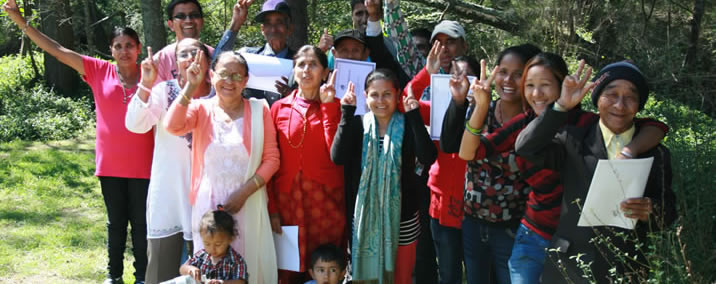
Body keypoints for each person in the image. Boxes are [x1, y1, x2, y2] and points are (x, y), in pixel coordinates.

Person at [451, 53, 668, 283]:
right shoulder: (529, 126)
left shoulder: (582, 126)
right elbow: (474, 152)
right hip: (538, 234)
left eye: (545, 85)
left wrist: (632, 151)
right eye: (530, 86)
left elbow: (653, 126)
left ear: (562, 85)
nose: (537, 94)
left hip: (582, 244)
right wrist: (481, 106)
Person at [3, 1, 154, 283]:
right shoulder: (99, 71)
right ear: (111, 50)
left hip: (145, 165)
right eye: (118, 46)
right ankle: (114, 276)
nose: (124, 51)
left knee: (143, 225)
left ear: (137, 47)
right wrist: (21, 21)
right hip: (110, 165)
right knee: (116, 224)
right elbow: (57, 51)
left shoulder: (151, 77)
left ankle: (143, 277)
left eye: (129, 45)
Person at [515, 60, 676, 283]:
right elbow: (526, 147)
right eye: (611, 94)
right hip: (568, 264)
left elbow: (668, 213)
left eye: (630, 96)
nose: (620, 105)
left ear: (639, 104)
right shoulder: (573, 138)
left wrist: (650, 209)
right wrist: (561, 105)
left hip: (625, 267)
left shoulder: (655, 153)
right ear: (597, 98)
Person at [164, 50, 280, 284]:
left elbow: (272, 159)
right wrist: (189, 87)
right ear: (212, 74)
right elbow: (172, 125)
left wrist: (244, 193)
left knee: (247, 269)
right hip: (209, 207)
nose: (230, 81)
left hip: (249, 203)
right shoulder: (201, 109)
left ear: (246, 81)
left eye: (237, 76)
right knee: (211, 269)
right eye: (224, 74)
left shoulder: (260, 110)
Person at [435, 44, 541, 284]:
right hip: (473, 222)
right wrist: (460, 101)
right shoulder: (483, 108)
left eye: (518, 74)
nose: (509, 80)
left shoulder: (535, 120)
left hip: (514, 227)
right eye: (503, 71)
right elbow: (451, 145)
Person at [331, 69, 437, 283]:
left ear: (397, 94)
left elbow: (428, 156)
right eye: (374, 95)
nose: (380, 100)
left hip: (404, 218)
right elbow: (338, 157)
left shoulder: (407, 125)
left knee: (401, 276)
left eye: (387, 94)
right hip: (364, 218)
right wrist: (346, 113)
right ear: (365, 96)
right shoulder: (357, 124)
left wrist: (414, 115)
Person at [125, 38, 213, 283]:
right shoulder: (164, 91)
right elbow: (135, 124)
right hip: (170, 198)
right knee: (161, 274)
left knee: (206, 275)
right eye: (183, 54)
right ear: (176, 64)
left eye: (196, 52)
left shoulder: (222, 92)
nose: (190, 58)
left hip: (210, 201)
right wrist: (146, 83)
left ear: (207, 59)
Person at [268, 45, 346, 283]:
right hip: (289, 202)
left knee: (326, 269)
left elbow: (336, 151)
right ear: (294, 70)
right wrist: (272, 209)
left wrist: (328, 105)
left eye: (313, 64)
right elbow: (270, 159)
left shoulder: (339, 106)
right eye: (301, 64)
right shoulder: (279, 108)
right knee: (289, 270)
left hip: (327, 203)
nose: (306, 70)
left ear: (325, 72)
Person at [214, 0, 295, 105]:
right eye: (268, 23)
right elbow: (217, 63)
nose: (273, 29)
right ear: (262, 29)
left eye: (279, 23)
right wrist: (235, 23)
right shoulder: (247, 57)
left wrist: (293, 96)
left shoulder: (300, 63)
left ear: (290, 29)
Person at [177, 209, 248, 284]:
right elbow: (182, 269)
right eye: (207, 244)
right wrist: (190, 269)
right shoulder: (201, 256)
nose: (212, 249)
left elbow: (241, 282)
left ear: (230, 239)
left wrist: (222, 283)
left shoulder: (236, 260)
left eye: (218, 244)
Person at [154, 0, 215, 83]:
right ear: (171, 25)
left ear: (202, 21)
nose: (188, 20)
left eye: (194, 15)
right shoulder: (161, 59)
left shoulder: (213, 55)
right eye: (180, 16)